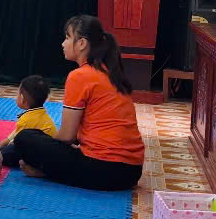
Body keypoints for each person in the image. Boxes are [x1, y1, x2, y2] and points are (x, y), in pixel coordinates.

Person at [13, 15, 144, 191]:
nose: (63, 44)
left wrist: (47, 147)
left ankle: (43, 171)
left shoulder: (80, 76)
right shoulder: (108, 71)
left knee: (24, 138)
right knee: (38, 141)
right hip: (132, 171)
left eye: (67, 38)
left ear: (81, 43)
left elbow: (67, 136)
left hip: (106, 169)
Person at [0, 75, 57, 168]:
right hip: (49, 151)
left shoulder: (26, 119)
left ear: (22, 98)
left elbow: (17, 141)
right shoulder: (41, 113)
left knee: (5, 153)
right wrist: (4, 142)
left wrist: (1, 148)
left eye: (17, 94)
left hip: (40, 154)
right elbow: (15, 133)